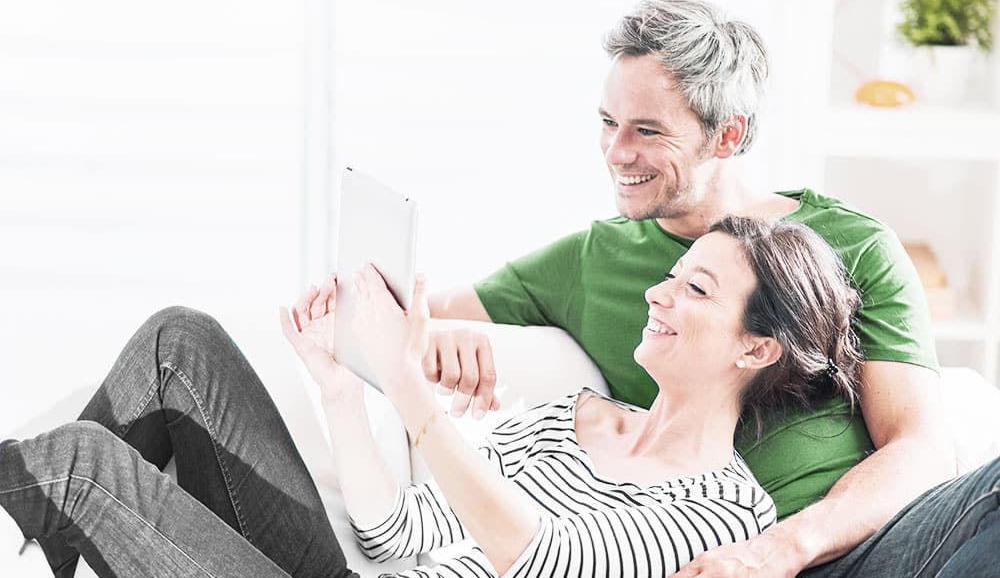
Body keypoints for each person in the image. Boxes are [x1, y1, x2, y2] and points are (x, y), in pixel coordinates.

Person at [425, 0, 999, 578]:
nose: (617, 152)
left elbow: (921, 448)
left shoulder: (854, 244)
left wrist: (776, 551)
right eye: (607, 122)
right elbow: (399, 315)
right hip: (698, 554)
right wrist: (447, 333)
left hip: (853, 548)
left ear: (728, 134)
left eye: (647, 130)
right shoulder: (592, 258)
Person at [2, 217, 863, 577]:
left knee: (77, 467)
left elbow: (542, 563)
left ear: (759, 345)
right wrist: (342, 390)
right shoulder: (569, 419)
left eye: (697, 292)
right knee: (178, 342)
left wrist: (410, 386)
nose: (659, 296)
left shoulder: (723, 515)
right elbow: (396, 538)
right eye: (669, 278)